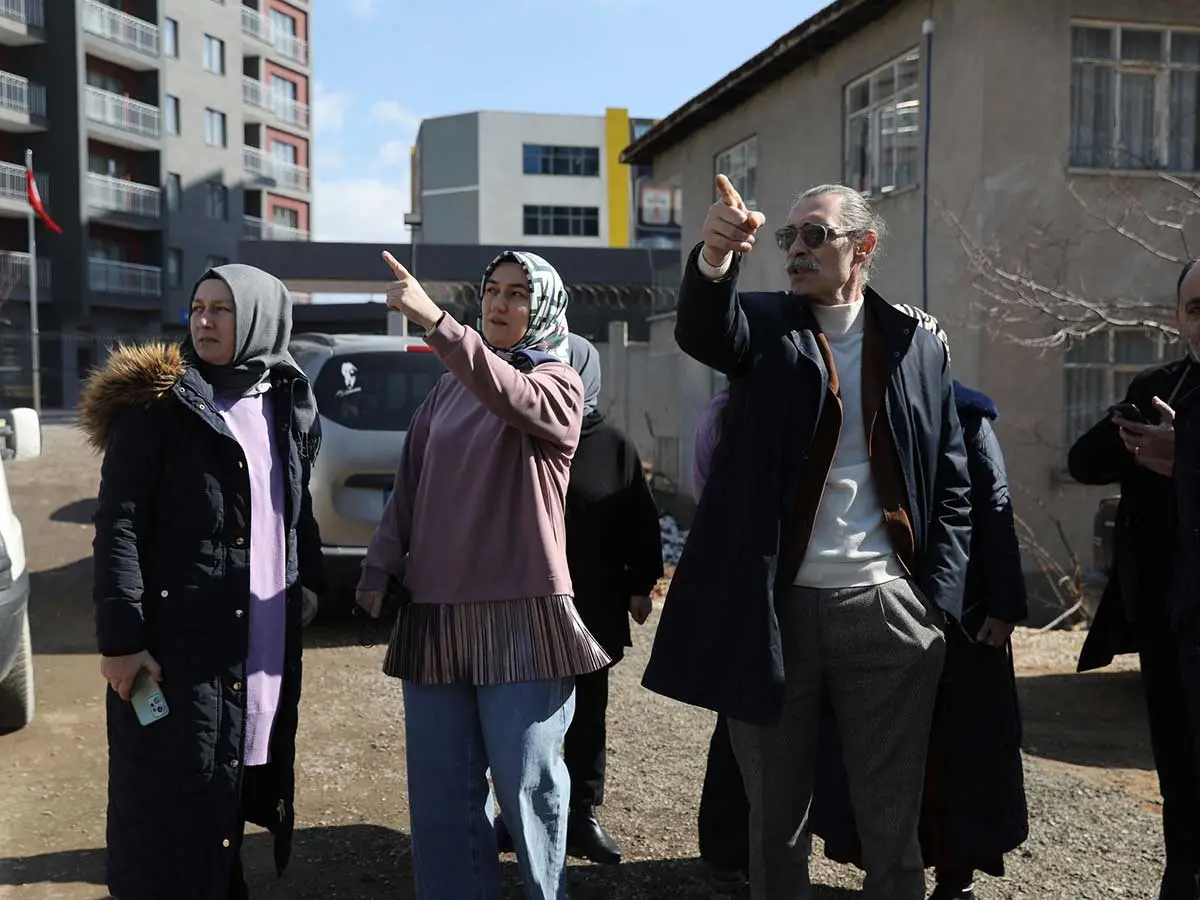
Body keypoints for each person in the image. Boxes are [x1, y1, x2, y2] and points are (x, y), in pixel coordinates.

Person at [642, 175, 972, 900]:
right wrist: (715, 257)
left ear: (863, 247)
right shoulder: (764, 326)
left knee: (893, 829)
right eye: (789, 236)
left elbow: (953, 480)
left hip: (888, 615)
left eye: (814, 234)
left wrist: (935, 606)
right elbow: (704, 330)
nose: (796, 249)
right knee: (776, 828)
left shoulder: (917, 344)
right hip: (775, 615)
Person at [356, 250, 610, 900]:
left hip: (523, 616)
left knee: (527, 787)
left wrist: (437, 323)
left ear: (544, 306)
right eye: (492, 291)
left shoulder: (558, 383)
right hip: (438, 613)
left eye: (517, 294)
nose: (499, 304)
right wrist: (381, 562)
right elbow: (409, 482)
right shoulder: (448, 387)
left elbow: (510, 393)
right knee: (442, 794)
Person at [81, 264, 326, 900]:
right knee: (173, 807)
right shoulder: (158, 406)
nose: (205, 320)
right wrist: (120, 640)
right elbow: (119, 525)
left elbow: (296, 510)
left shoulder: (286, 401)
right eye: (198, 307)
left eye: (222, 308)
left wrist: (310, 582)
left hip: (259, 641)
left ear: (261, 320)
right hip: (179, 648)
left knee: (230, 787)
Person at [812, 307, 1029, 900]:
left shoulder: (966, 412)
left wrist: (1002, 606)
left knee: (956, 757)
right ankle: (891, 866)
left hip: (962, 621)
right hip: (879, 607)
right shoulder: (862, 405)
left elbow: (993, 509)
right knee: (882, 750)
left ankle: (954, 871)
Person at [495, 332, 664, 864]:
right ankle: (513, 814)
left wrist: (642, 582)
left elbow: (639, 516)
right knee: (520, 715)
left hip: (593, 604)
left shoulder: (613, 445)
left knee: (588, 713)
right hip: (523, 602)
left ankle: (582, 816)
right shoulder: (517, 433)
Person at [1071, 256, 1200, 900]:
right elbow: (1083, 460)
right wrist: (1135, 440)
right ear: (1179, 319)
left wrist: (1186, 462)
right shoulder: (1163, 387)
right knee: (1177, 770)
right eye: (1196, 308)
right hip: (1165, 615)